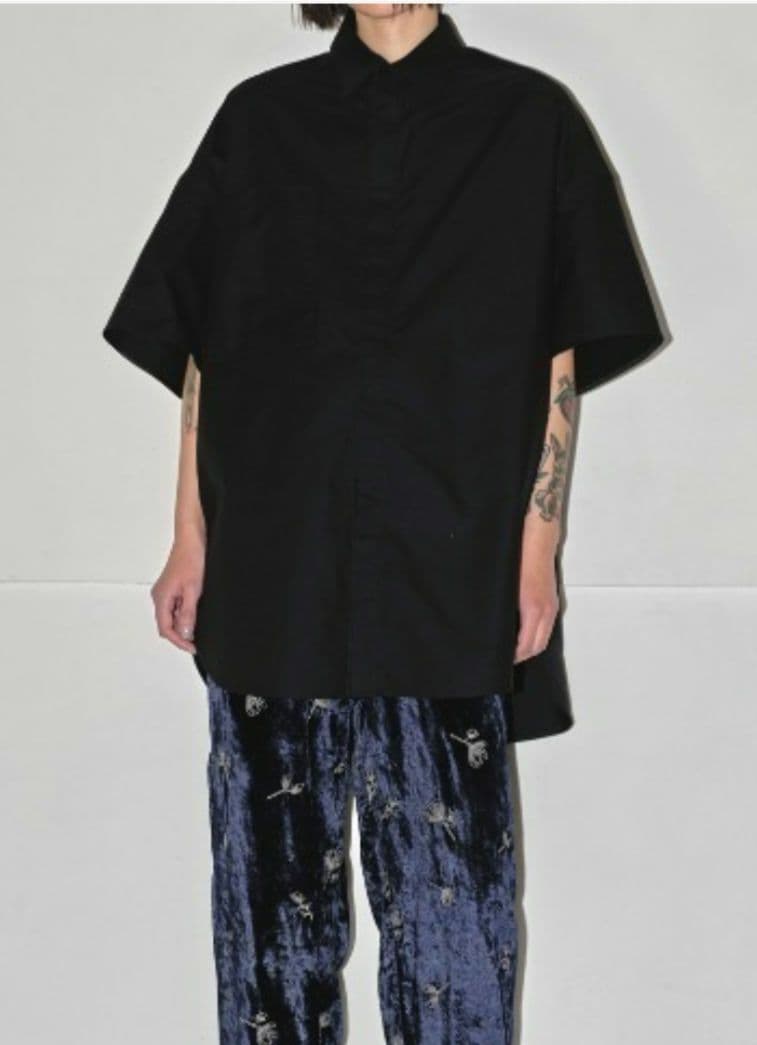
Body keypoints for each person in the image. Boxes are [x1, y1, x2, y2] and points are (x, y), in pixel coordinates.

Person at [102, 4, 666, 1042]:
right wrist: (190, 535)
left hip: (451, 554)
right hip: (276, 551)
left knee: (455, 907)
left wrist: (536, 546)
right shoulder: (260, 119)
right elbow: (205, 351)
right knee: (270, 905)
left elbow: (559, 348)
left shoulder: (526, 118)